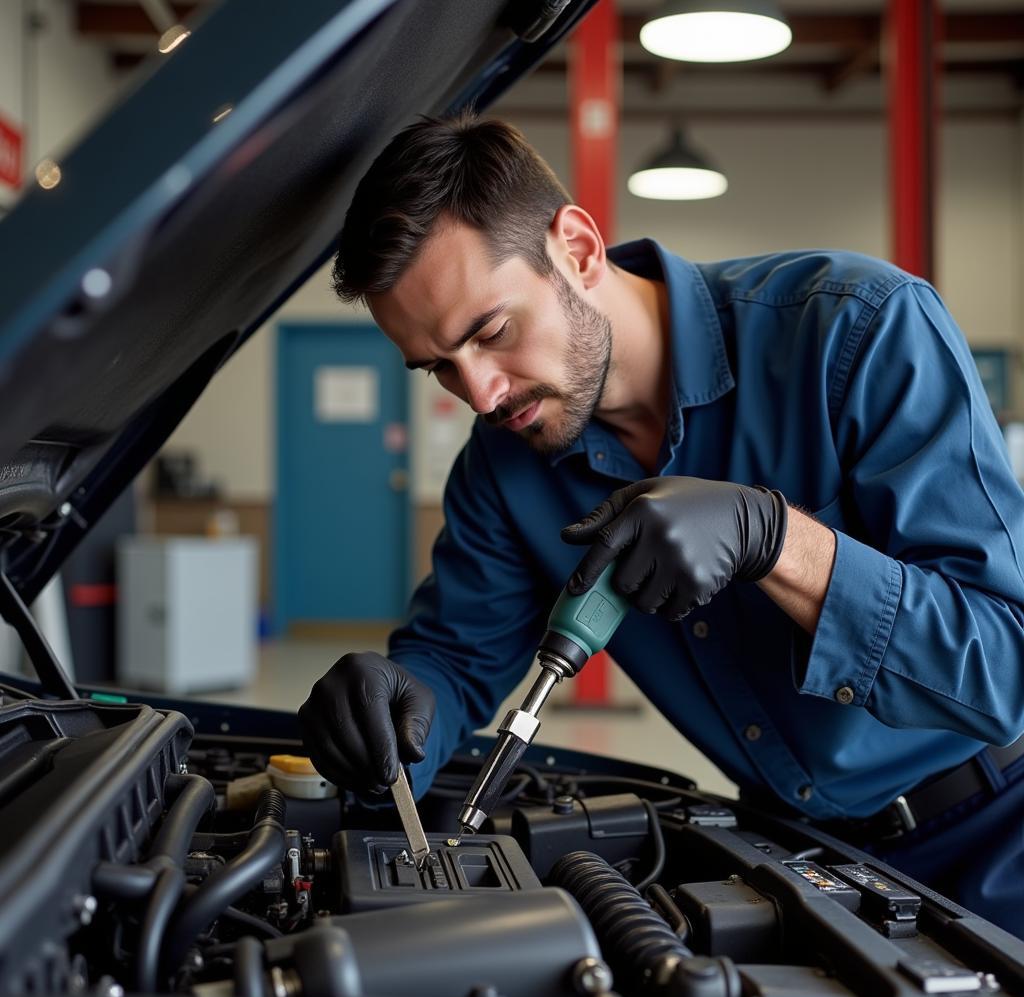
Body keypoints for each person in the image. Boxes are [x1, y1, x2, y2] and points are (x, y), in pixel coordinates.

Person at [299, 112, 1024, 936]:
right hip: (804, 861)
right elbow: (459, 662)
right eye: (440, 368)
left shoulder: (855, 331)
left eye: (492, 332)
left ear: (576, 247)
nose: (482, 394)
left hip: (1000, 836)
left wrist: (778, 541)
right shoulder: (502, 468)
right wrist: (393, 710)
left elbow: (1006, 666)